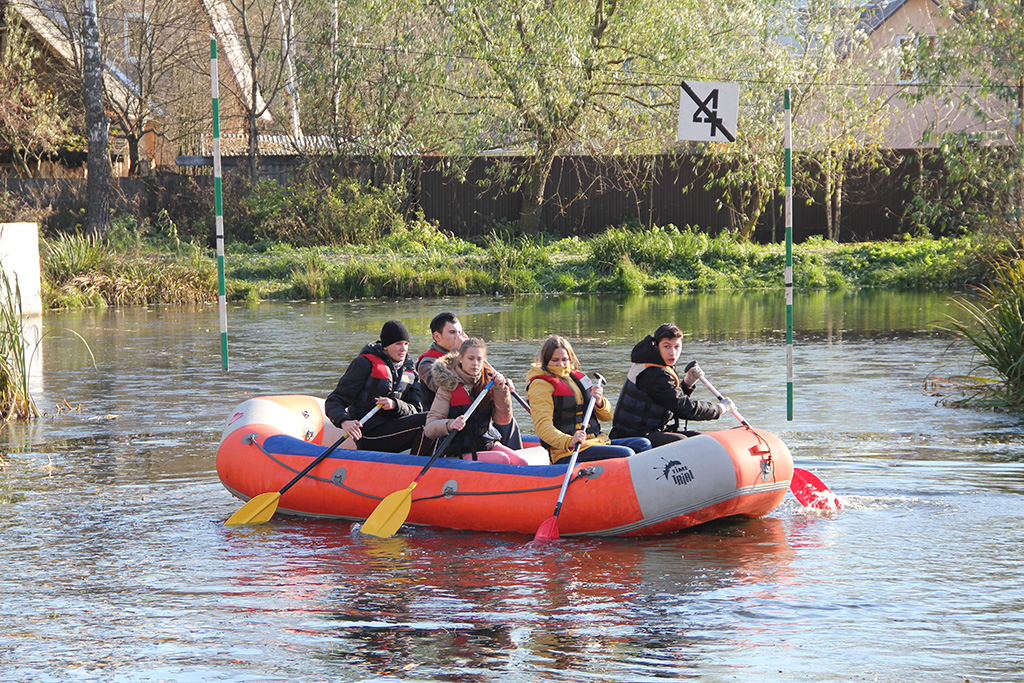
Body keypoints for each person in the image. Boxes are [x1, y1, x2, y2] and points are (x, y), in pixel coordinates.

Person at [526, 335, 651, 464]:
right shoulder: (540, 386)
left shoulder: (577, 378)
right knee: (626, 454)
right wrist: (568, 441)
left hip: (596, 441)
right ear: (545, 361)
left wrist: (599, 402)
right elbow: (542, 427)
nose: (561, 364)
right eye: (555, 360)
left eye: (565, 359)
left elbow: (608, 416)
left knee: (642, 444)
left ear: (570, 359)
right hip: (568, 451)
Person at [610, 323, 735, 447]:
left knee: (700, 437)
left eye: (677, 346)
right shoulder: (653, 372)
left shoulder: (658, 362)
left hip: (652, 431)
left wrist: (687, 383)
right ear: (656, 345)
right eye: (667, 346)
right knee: (683, 441)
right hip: (632, 436)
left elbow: (671, 401)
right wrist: (719, 409)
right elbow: (684, 409)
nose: (673, 353)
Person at [325, 320, 433, 455]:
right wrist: (344, 421)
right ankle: (416, 466)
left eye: (406, 344)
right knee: (426, 421)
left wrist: (396, 405)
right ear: (386, 346)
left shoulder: (410, 371)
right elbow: (334, 401)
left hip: (394, 431)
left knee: (434, 421)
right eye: (398, 344)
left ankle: (426, 464)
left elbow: (416, 409)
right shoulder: (364, 364)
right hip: (369, 435)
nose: (403, 349)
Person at [424, 338, 521, 461]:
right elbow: (430, 428)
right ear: (460, 358)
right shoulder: (448, 387)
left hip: (485, 443)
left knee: (521, 462)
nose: (475, 363)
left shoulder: (489, 383)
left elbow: (503, 420)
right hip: (460, 451)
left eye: (479, 359)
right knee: (502, 459)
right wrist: (450, 424)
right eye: (471, 358)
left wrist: (501, 390)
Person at [416, 312, 468, 411]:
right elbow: (442, 385)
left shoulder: (467, 357)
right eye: (452, 332)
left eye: (460, 333)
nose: (458, 337)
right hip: (440, 415)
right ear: (437, 337)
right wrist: (456, 351)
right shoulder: (426, 362)